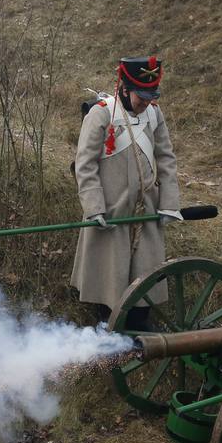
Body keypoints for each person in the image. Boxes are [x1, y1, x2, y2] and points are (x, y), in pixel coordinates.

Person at [70, 55, 180, 329]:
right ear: (125, 88)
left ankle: (140, 326)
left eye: (150, 96)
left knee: (145, 275)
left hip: (146, 212)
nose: (145, 102)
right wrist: (95, 208)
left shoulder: (154, 112)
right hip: (112, 211)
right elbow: (85, 165)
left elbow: (166, 158)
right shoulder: (102, 114)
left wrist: (169, 203)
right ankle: (108, 327)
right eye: (141, 96)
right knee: (109, 279)